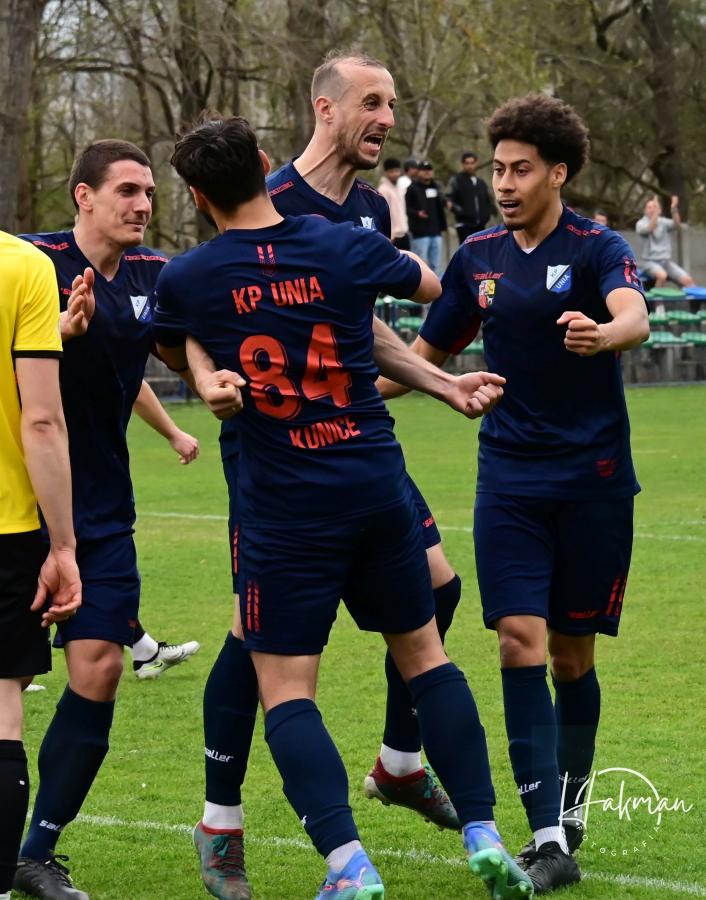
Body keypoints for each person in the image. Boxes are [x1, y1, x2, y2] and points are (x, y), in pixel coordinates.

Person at [154, 111, 532, 900]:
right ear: (264, 163)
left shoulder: (190, 278)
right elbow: (433, 285)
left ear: (194, 194)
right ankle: (483, 830)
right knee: (426, 657)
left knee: (288, 689)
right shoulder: (340, 244)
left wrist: (207, 371)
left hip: (285, 506)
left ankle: (347, 864)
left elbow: (170, 336)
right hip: (374, 483)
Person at [378, 93, 649, 894]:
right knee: (517, 641)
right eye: (497, 168)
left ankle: (569, 808)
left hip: (596, 483)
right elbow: (421, 358)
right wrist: (329, 385)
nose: (503, 183)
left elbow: (633, 314)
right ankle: (548, 839)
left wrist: (604, 334)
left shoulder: (597, 247)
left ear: (557, 173)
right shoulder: (479, 258)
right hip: (510, 481)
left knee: (571, 656)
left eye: (520, 169)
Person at [13, 140, 197, 900]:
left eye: (149, 191)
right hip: (22, 509)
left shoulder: (156, 276)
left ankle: (36, 851)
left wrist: (205, 391)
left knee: (100, 666)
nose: (143, 204)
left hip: (105, 515)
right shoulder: (33, 263)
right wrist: (57, 332)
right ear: (82, 196)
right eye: (127, 190)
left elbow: (164, 360)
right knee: (12, 681)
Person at [0, 232, 82, 900]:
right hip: (7, 526)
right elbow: (42, 422)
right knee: (3, 710)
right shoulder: (23, 266)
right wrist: (63, 546)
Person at [635, 194, 694, 288]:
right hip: (648, 262)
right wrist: (656, 212)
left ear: (660, 210)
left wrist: (674, 208)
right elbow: (650, 228)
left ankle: (689, 298)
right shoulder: (640, 224)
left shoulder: (663, 222)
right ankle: (657, 298)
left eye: (654, 207)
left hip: (666, 262)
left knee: (688, 281)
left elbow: (677, 225)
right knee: (662, 276)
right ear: (645, 210)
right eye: (649, 207)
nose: (652, 209)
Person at [406, 160, 447, 274]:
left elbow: (441, 206)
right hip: (420, 233)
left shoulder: (436, 187)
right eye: (424, 170)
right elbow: (406, 208)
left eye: (429, 170)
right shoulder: (412, 188)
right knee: (420, 264)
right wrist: (417, 213)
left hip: (436, 231)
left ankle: (435, 285)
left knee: (435, 265)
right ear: (418, 172)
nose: (427, 172)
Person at [446, 151, 495, 242]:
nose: (470, 166)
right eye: (467, 163)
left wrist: (487, 215)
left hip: (480, 226)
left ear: (476, 163)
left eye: (472, 163)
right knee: (467, 250)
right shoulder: (456, 180)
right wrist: (459, 211)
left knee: (481, 249)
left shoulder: (481, 182)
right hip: (464, 225)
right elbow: (448, 199)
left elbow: (488, 201)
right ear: (463, 164)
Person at [378, 157, 410, 249]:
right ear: (385, 173)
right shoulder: (383, 190)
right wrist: (390, 234)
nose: (395, 174)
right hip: (393, 237)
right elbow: (383, 214)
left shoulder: (399, 188)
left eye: (397, 171)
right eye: (392, 171)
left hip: (403, 234)